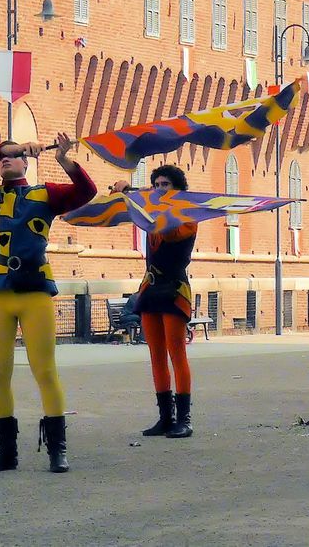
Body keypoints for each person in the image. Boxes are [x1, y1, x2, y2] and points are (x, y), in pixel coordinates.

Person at [0, 133, 96, 473]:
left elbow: (86, 192)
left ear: (27, 163)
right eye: (3, 157)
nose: (5, 160)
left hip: (35, 292)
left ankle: (57, 450)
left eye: (13, 156)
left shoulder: (45, 194)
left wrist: (65, 161)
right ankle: (7, 452)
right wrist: (6, 147)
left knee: (45, 371)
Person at [112, 165, 197, 439]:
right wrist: (129, 196)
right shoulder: (149, 212)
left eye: (166, 184)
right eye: (157, 184)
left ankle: (184, 419)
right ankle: (165, 417)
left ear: (178, 189)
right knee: (156, 356)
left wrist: (133, 195)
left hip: (174, 289)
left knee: (177, 354)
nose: (160, 188)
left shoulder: (187, 217)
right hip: (150, 288)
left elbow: (168, 230)